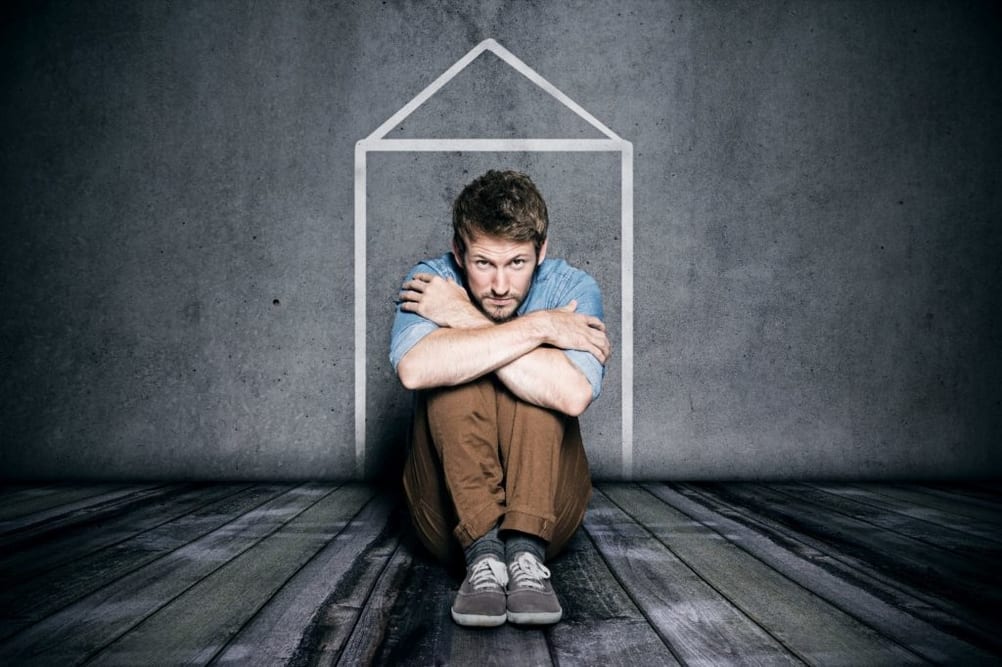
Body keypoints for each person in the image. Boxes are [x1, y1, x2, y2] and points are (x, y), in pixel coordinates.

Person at [390, 169, 611, 627]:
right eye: (483, 263)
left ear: (541, 253)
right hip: (447, 519)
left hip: (551, 511)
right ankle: (483, 555)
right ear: (458, 253)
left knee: (539, 379)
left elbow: (571, 395)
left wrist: (462, 318)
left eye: (517, 264)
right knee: (454, 371)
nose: (499, 286)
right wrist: (539, 327)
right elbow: (414, 370)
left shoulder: (572, 289)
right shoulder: (432, 282)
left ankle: (526, 554)